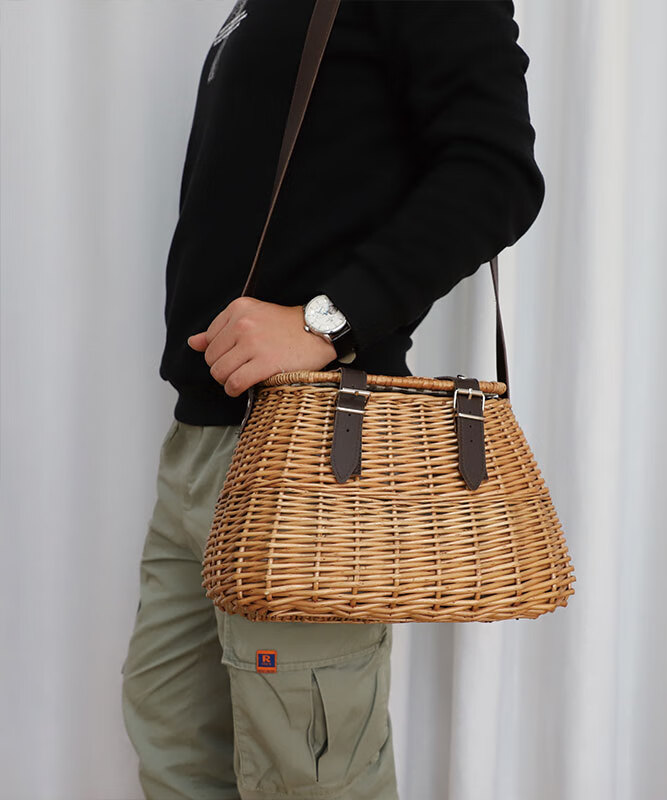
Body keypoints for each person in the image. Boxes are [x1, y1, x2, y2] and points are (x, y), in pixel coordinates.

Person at [120, 1, 545, 798]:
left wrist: (326, 320)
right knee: (175, 748)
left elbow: (496, 173)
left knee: (309, 774)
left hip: (313, 448)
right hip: (203, 440)